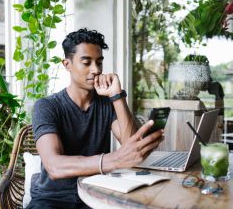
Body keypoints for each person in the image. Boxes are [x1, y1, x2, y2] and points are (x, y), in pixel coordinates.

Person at [27, 28, 164, 209]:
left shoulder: (107, 104)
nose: (96, 70)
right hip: (53, 199)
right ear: (67, 64)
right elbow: (54, 166)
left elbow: (132, 144)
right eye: (86, 62)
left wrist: (117, 96)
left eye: (99, 62)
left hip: (96, 194)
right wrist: (114, 160)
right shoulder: (47, 106)